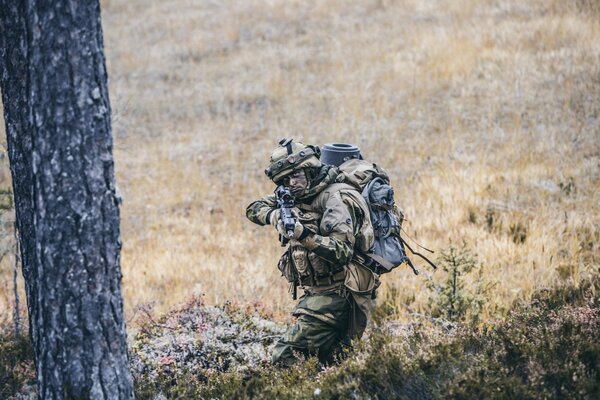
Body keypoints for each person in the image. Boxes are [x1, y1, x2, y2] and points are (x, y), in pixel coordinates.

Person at [246, 138, 379, 366]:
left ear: (309, 169)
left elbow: (342, 252)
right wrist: (274, 216)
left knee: (284, 356)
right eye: (284, 180)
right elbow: (253, 208)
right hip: (317, 295)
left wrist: (302, 235)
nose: (290, 184)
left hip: (339, 295)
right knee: (331, 366)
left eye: (295, 176)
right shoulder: (295, 195)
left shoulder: (335, 198)